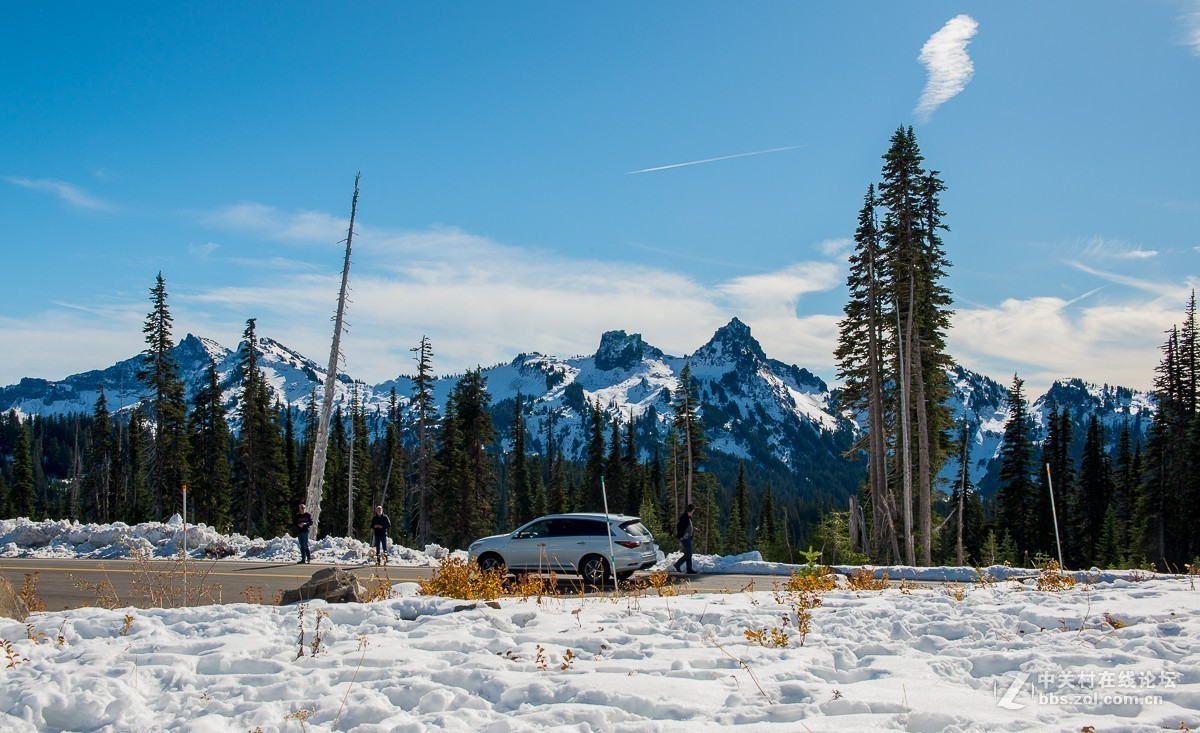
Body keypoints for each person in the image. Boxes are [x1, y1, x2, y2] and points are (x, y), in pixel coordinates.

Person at [672, 503, 697, 574]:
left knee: (688, 552)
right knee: (689, 553)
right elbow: (679, 526)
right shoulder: (684, 517)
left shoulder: (688, 517)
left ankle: (689, 568)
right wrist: (681, 536)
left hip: (687, 537)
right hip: (685, 537)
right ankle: (678, 564)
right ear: (692, 510)